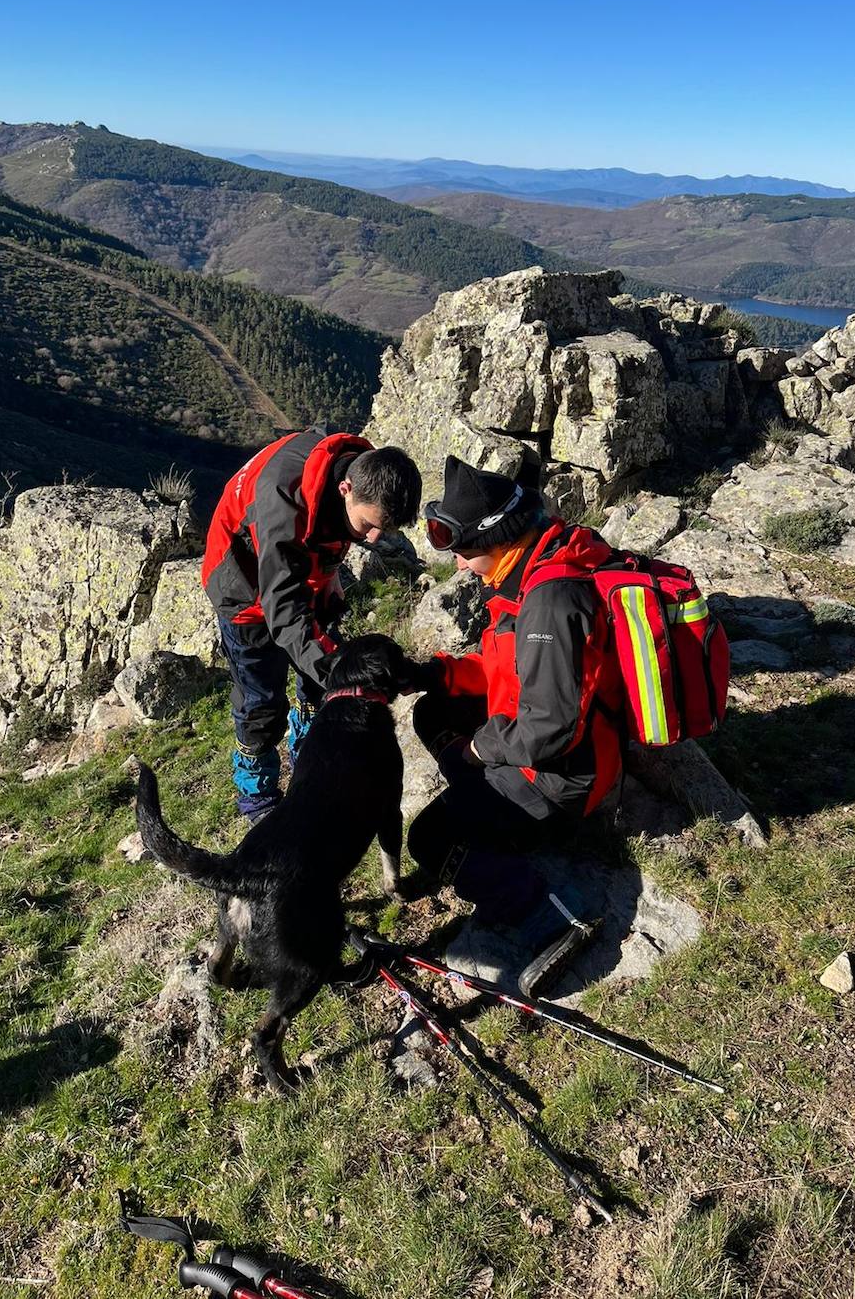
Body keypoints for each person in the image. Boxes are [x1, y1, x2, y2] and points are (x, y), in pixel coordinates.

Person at [406, 456, 625, 998]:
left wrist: (480, 750)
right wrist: (439, 673)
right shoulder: (531, 567)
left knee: (427, 838)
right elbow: (509, 670)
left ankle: (545, 918)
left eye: (462, 550)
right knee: (432, 710)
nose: (457, 566)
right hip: (549, 741)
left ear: (497, 537)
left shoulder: (550, 601)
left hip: (564, 775)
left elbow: (549, 729)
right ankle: (482, 819)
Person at [202, 427, 421, 818]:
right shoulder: (283, 504)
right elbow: (283, 613)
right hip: (244, 592)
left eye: (381, 530)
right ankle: (259, 798)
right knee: (260, 701)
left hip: (305, 575)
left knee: (316, 680)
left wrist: (331, 573)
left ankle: (308, 759)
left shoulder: (362, 469)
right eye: (367, 526)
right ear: (346, 489)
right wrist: (343, 677)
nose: (371, 537)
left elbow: (326, 531)